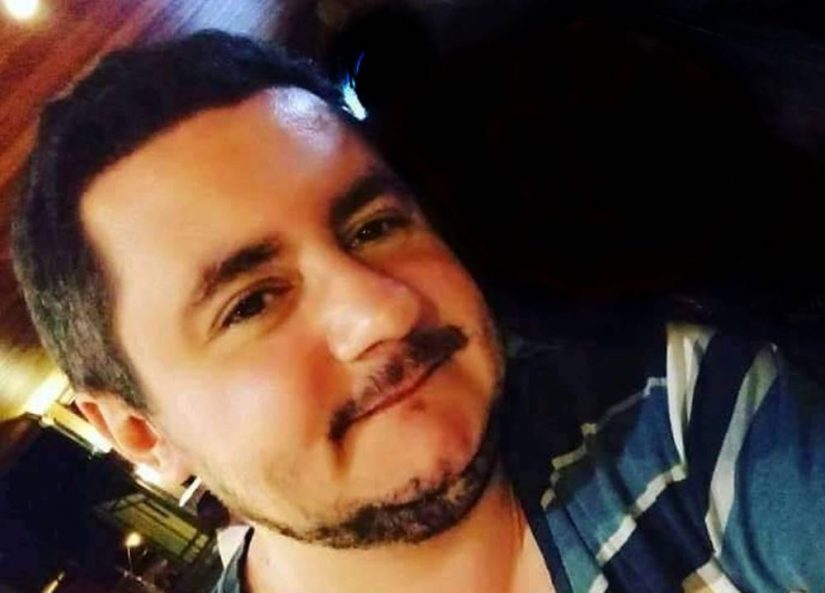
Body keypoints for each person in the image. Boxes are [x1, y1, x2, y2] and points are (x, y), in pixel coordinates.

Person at [11, 31, 825, 593]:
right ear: (140, 431)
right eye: (251, 302)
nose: (383, 309)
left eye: (373, 226)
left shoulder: (680, 413)